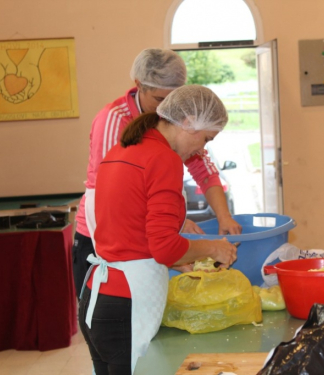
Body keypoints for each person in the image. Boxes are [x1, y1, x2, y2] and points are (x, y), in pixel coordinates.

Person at [79, 84, 238, 375]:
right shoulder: (163, 158)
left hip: (97, 298)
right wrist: (216, 247)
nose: (202, 148)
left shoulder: (123, 149)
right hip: (125, 304)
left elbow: (129, 233)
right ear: (189, 123)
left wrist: (182, 262)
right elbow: (164, 246)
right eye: (206, 138)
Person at [72, 48, 241, 298]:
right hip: (100, 238)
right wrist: (174, 227)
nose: (171, 108)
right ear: (139, 85)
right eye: (162, 100)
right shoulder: (115, 120)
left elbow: (203, 169)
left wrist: (223, 216)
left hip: (138, 248)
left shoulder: (170, 136)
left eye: (176, 99)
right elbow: (108, 194)